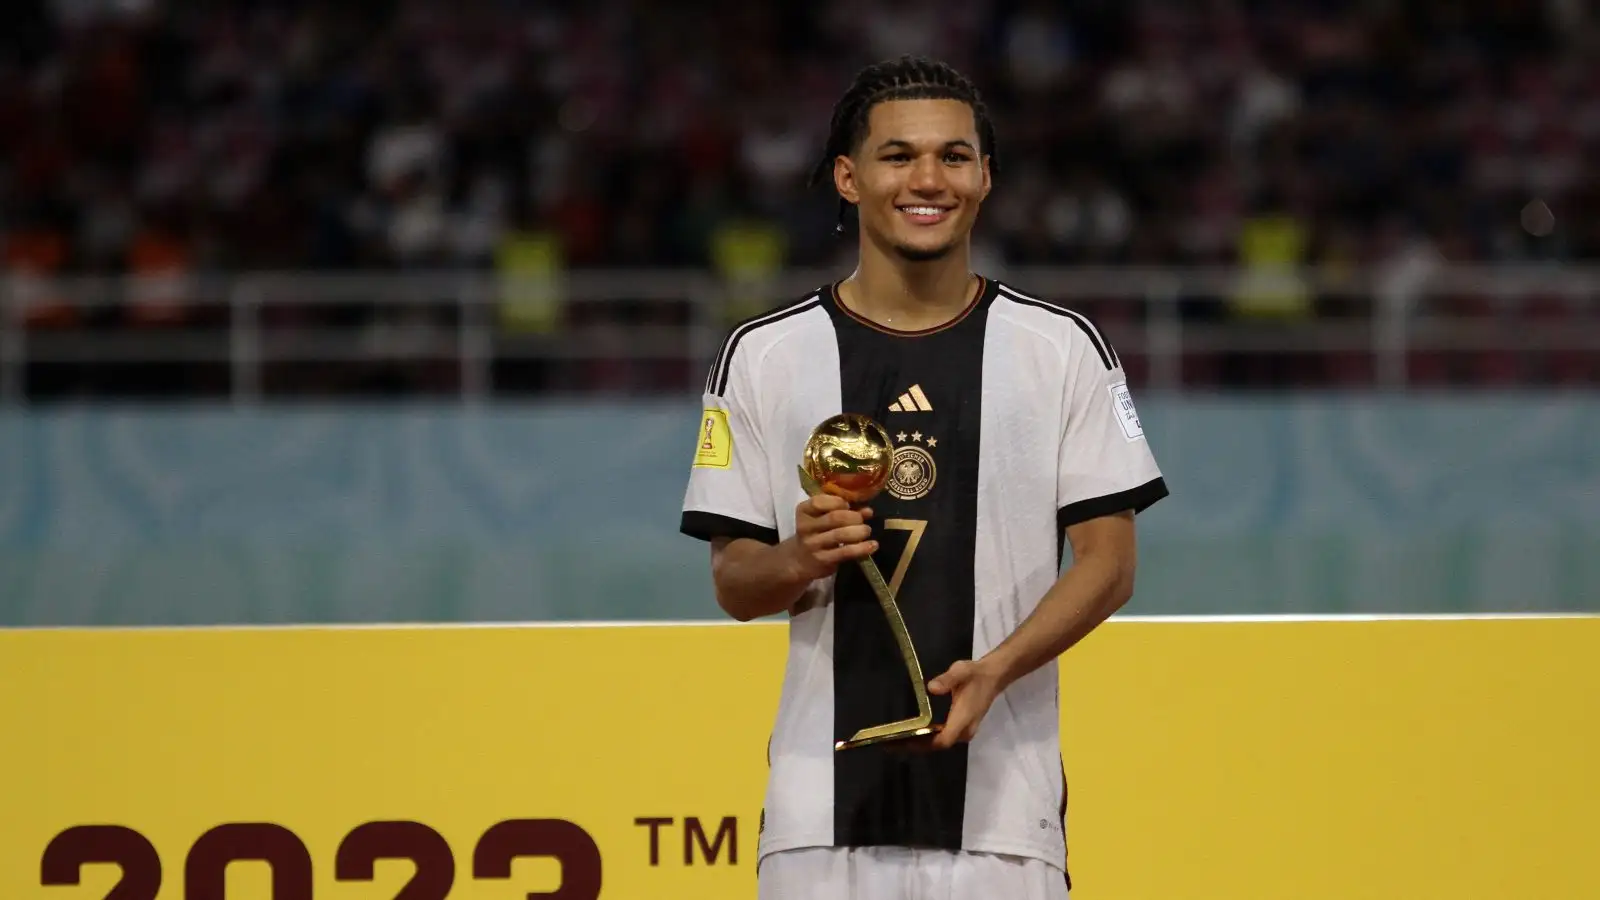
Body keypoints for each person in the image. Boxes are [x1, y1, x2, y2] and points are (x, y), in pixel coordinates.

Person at [680, 55, 1168, 900]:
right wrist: (800, 557)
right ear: (848, 176)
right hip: (815, 823)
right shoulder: (762, 355)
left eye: (953, 156)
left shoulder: (1061, 348)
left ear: (985, 178)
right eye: (898, 155)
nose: (927, 178)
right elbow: (735, 582)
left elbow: (1109, 564)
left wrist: (997, 669)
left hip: (1004, 822)